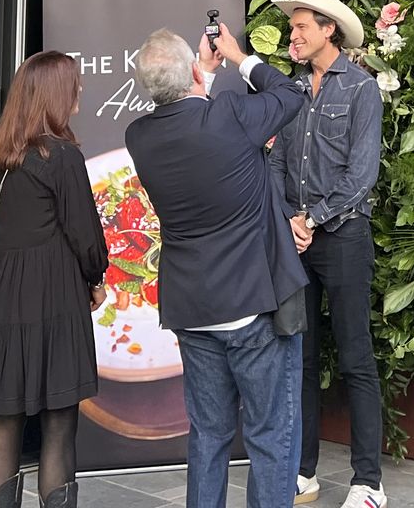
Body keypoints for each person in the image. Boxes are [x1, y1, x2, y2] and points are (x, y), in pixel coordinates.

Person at [126, 27, 309, 508]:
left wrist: (201, 71)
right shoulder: (228, 115)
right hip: (250, 302)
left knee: (208, 435)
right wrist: (238, 57)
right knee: (270, 435)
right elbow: (291, 91)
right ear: (190, 72)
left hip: (191, 308)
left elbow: (184, 114)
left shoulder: (139, 137)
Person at [0, 51, 108, 508]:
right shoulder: (63, 155)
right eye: (75, 83)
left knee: (4, 417)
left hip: (4, 290)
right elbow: (85, 234)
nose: (81, 90)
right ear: (54, 94)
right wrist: (96, 279)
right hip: (54, 291)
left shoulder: (0, 156)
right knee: (58, 420)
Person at [269, 0, 386, 508]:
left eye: (300, 28)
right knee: (301, 357)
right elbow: (274, 165)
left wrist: (311, 218)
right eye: (293, 28)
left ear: (327, 30)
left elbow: (362, 176)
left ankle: (368, 483)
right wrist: (287, 221)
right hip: (297, 241)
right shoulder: (291, 94)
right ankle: (304, 472)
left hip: (343, 240)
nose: (292, 36)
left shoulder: (361, 91)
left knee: (356, 358)